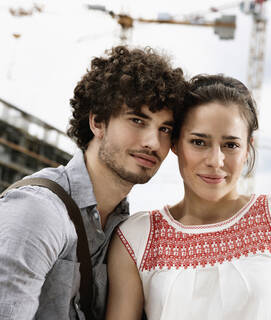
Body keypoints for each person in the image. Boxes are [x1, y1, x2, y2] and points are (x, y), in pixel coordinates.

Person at [106, 74, 271, 320]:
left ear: (248, 148)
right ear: (175, 144)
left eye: (231, 145)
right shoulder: (136, 238)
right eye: (198, 142)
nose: (216, 161)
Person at [0, 45, 186, 320]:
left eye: (165, 129)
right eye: (137, 120)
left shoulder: (124, 229)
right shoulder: (39, 211)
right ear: (97, 122)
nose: (152, 142)